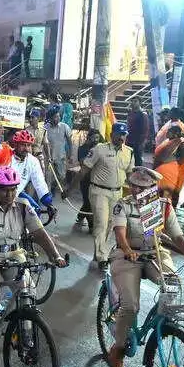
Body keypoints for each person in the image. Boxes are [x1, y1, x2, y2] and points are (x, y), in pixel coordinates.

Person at [106, 167, 184, 367]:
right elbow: (120, 235)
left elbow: (177, 237)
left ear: (153, 189)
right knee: (130, 306)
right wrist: (129, 249)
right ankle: (118, 346)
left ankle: (160, 320)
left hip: (154, 254)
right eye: (134, 186)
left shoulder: (164, 206)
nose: (138, 191)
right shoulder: (123, 205)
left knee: (173, 284)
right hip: (128, 256)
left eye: (143, 188)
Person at [0, 166, 66, 317]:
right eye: (5, 190)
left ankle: (10, 318)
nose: (10, 194)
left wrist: (56, 256)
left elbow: (40, 233)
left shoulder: (23, 206)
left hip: (13, 253)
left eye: (13, 189)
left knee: (28, 291)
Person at [67, 122, 133, 268]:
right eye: (119, 134)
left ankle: (100, 252)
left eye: (124, 135)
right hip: (99, 192)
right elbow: (84, 170)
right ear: (111, 135)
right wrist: (69, 189)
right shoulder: (99, 149)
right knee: (101, 223)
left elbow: (130, 175)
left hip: (117, 193)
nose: (122, 137)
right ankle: (101, 256)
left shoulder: (129, 152)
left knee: (110, 224)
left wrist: (136, 194)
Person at [74, 129, 100, 231]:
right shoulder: (82, 149)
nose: (96, 140)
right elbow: (82, 163)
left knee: (89, 202)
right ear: (89, 138)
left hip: (97, 180)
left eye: (98, 138)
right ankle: (91, 225)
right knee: (88, 202)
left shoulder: (99, 149)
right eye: (94, 137)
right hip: (85, 179)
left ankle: (80, 215)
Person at [43, 104, 72, 193]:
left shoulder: (64, 127)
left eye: (59, 116)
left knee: (61, 176)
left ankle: (53, 187)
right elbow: (43, 143)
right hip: (49, 158)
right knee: (48, 178)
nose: (58, 118)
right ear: (51, 118)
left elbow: (69, 141)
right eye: (55, 117)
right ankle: (48, 195)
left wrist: (70, 155)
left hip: (61, 156)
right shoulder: (45, 128)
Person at [126, 97, 149, 166]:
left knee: (137, 160)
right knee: (128, 159)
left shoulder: (143, 114)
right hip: (129, 139)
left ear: (140, 103)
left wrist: (141, 142)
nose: (133, 103)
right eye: (132, 101)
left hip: (138, 141)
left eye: (135, 101)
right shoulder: (130, 113)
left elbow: (145, 129)